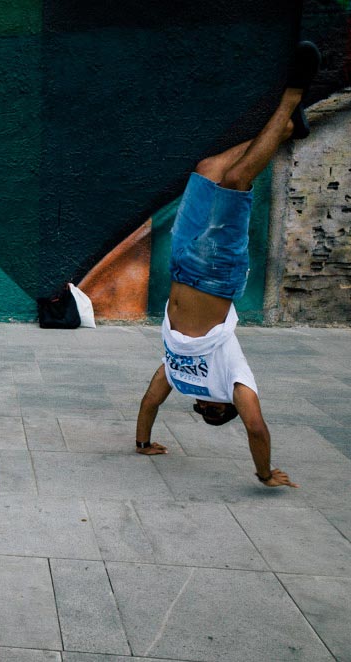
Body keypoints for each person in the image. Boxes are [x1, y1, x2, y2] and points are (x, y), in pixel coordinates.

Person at [134, 42, 321, 488]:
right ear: (226, 408)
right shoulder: (233, 378)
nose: (203, 407)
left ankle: (287, 131)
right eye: (212, 411)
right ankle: (292, 98)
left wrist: (143, 443)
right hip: (217, 272)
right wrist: (264, 473)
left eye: (202, 411)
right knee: (237, 181)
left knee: (207, 168)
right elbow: (256, 428)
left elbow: (149, 402)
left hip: (181, 264)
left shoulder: (180, 377)